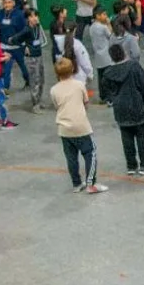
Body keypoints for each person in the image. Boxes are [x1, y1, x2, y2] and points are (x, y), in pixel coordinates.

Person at [50, 57, 106, 195]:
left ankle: (76, 183)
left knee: (71, 157)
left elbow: (56, 106)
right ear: (72, 69)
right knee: (90, 153)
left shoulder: (54, 90)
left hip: (63, 128)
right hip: (81, 126)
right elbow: (85, 103)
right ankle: (91, 183)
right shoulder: (79, 85)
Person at [103, 43, 144, 176]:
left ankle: (131, 165)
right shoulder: (134, 67)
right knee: (142, 136)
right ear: (123, 53)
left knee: (126, 136)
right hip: (137, 105)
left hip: (120, 108)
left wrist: (115, 99)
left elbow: (106, 92)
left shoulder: (107, 73)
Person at [21, 8, 47, 113]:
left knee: (41, 79)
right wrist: (24, 47)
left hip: (39, 56)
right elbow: (15, 39)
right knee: (34, 80)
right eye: (31, 16)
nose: (34, 18)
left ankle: (39, 101)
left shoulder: (37, 27)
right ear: (27, 19)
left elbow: (43, 40)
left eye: (36, 16)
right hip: (31, 58)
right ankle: (35, 104)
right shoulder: (26, 29)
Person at [85, 7, 114, 104]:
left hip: (98, 56)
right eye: (104, 14)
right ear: (98, 16)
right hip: (106, 56)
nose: (106, 16)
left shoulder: (92, 27)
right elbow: (111, 36)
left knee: (101, 78)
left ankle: (103, 96)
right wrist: (109, 24)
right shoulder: (103, 27)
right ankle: (110, 98)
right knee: (109, 78)